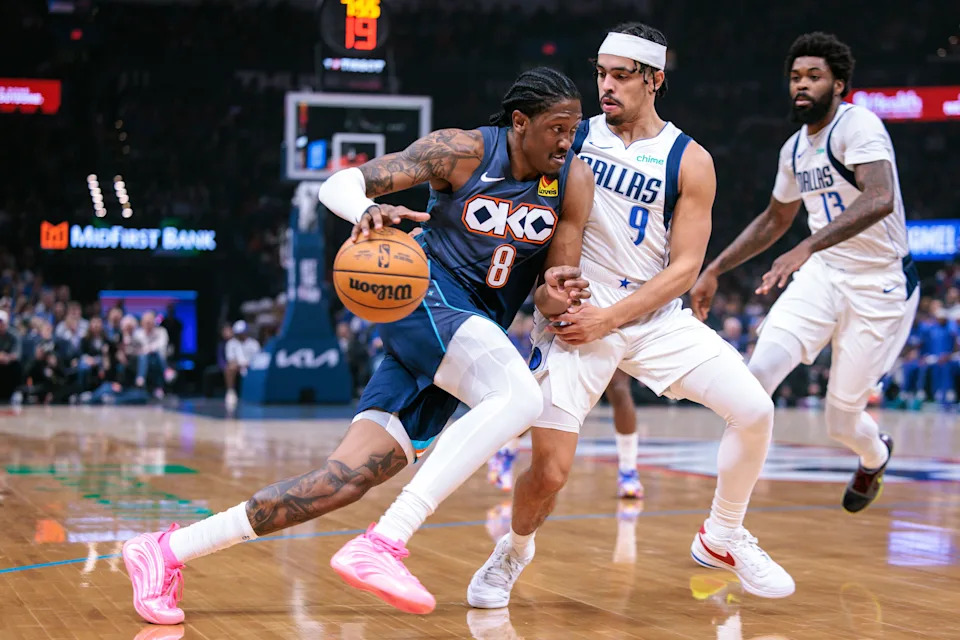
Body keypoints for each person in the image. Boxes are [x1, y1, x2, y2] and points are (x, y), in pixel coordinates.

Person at [121, 66, 595, 624]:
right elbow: (339, 183)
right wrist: (364, 210)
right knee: (519, 397)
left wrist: (558, 294)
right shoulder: (461, 151)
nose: (567, 140)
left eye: (574, 129)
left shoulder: (571, 181)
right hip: (424, 298)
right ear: (520, 122)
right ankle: (385, 542)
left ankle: (164, 552)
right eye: (557, 128)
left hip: (467, 338)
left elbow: (549, 286)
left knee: (341, 482)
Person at [468, 23, 795, 609]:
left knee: (753, 409)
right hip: (577, 315)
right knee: (549, 474)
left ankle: (722, 535)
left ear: (655, 80)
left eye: (621, 75)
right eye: (601, 73)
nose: (606, 86)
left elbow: (685, 268)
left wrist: (613, 318)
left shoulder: (690, 160)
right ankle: (513, 551)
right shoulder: (573, 137)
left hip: (648, 314)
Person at [690, 32, 917, 513]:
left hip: (880, 284)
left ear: (839, 84)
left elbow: (880, 198)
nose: (802, 85)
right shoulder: (794, 149)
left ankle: (875, 456)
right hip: (824, 275)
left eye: (814, 76)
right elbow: (775, 220)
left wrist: (805, 247)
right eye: (796, 77)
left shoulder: (860, 126)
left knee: (841, 420)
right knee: (753, 382)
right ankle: (724, 524)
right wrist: (714, 268)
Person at [487, 370, 643, 497]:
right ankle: (506, 450)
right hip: (571, 337)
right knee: (543, 394)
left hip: (612, 333)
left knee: (619, 387)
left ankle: (628, 471)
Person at [224, 320, 261, 409]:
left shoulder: (254, 343)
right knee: (230, 368)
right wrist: (240, 365)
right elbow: (230, 360)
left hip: (251, 366)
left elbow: (259, 358)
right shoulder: (231, 343)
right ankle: (230, 392)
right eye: (238, 333)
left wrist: (249, 364)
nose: (240, 335)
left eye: (242, 333)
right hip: (237, 366)